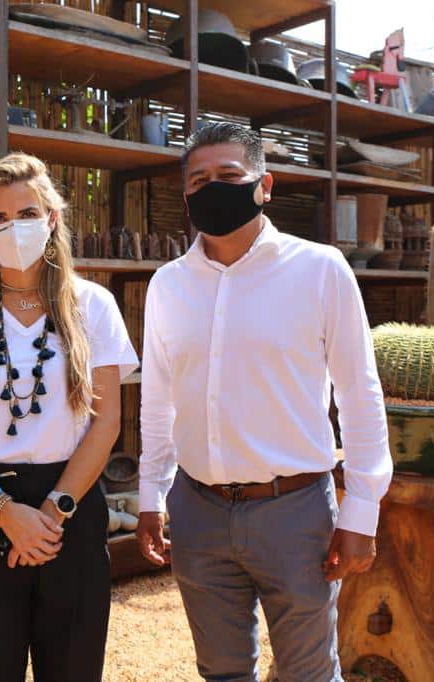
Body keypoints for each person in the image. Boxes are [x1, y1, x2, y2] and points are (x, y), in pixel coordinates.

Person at [136, 122, 392, 682]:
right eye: (199, 180)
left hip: (294, 512)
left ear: (264, 185)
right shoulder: (168, 285)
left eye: (229, 175)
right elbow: (157, 400)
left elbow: (358, 393)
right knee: (222, 673)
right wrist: (151, 495)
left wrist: (362, 510)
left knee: (308, 674)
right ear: (186, 196)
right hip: (198, 510)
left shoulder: (320, 270)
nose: (213, 188)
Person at [0, 152, 139, 681]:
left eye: (27, 214)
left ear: (52, 219)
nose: (13, 227)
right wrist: (4, 512)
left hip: (71, 507)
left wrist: (52, 514)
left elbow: (106, 423)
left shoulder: (95, 305)